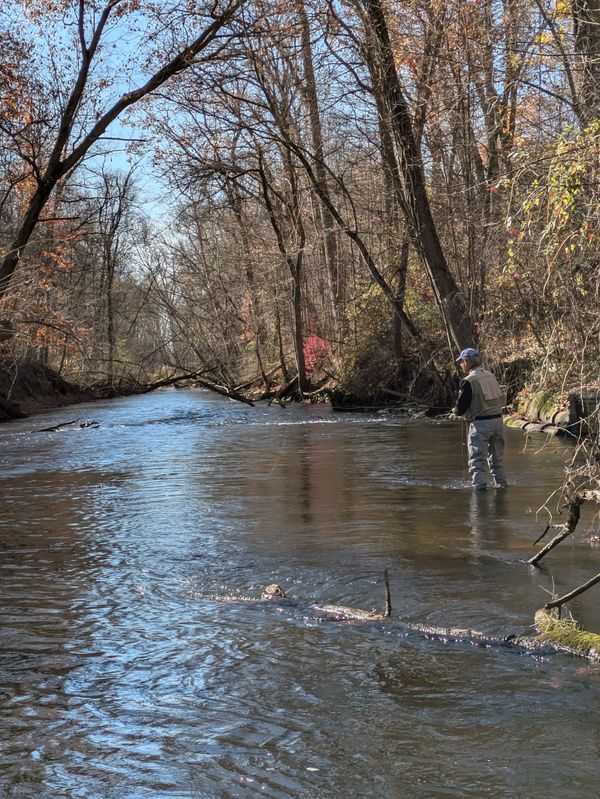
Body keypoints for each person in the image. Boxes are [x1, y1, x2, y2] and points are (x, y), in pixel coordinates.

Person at [453, 347, 507, 490]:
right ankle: (501, 485)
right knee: (497, 460)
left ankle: (479, 492)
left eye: (462, 362)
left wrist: (455, 411)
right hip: (498, 422)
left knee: (477, 461)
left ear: (467, 361)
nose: (461, 365)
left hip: (481, 424)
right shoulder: (490, 375)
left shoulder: (469, 381)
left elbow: (460, 409)